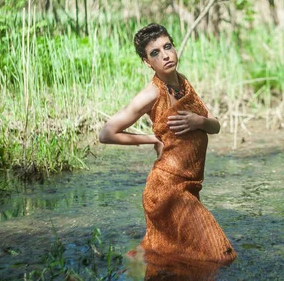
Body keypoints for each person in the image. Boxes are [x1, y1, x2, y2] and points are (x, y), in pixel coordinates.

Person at [98, 23, 237, 278]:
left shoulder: (183, 83)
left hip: (189, 187)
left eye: (167, 46)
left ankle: (134, 270)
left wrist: (199, 122)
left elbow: (215, 126)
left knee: (177, 259)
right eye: (155, 52)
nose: (165, 55)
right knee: (220, 255)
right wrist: (150, 139)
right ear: (146, 62)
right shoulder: (152, 93)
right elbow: (106, 133)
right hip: (167, 190)